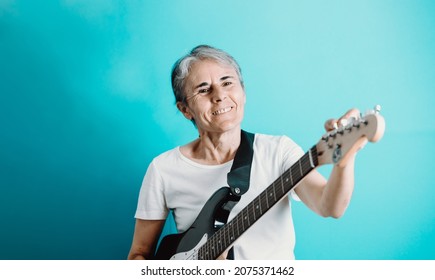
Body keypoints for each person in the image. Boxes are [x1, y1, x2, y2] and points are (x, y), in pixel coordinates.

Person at [127, 45, 361, 260]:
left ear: (243, 92)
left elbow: (330, 206)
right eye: (204, 89)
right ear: (185, 110)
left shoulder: (278, 151)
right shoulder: (164, 168)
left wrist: (344, 161)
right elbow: (139, 254)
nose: (219, 95)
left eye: (227, 83)